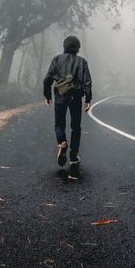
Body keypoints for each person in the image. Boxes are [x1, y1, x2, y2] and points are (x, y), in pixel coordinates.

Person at [43, 35, 92, 176]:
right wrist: (88, 99)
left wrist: (47, 95)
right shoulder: (82, 62)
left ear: (64, 47)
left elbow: (47, 78)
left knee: (59, 124)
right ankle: (73, 157)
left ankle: (62, 142)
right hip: (76, 96)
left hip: (60, 95)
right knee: (76, 127)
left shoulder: (57, 59)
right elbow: (87, 81)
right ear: (78, 48)